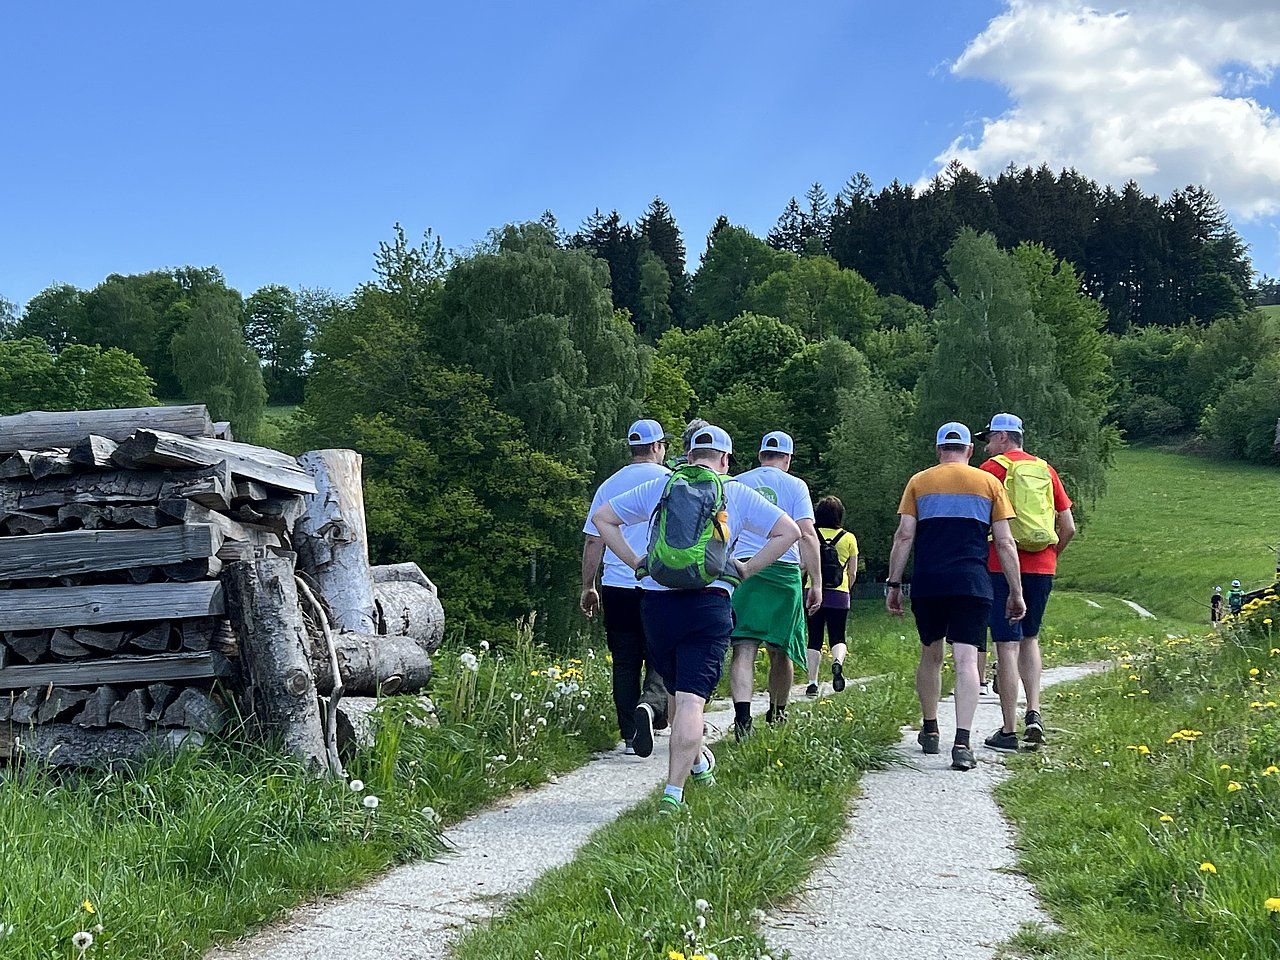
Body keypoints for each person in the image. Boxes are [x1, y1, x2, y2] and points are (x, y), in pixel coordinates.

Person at [592, 424, 801, 815]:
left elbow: (604, 519)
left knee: (675, 692)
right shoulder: (735, 491)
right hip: (709, 603)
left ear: (687, 456)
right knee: (690, 702)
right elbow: (788, 532)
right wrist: (744, 569)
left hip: (656, 604)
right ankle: (673, 793)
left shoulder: (662, 486)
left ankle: (699, 763)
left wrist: (637, 561)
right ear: (725, 459)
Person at [886, 422, 1026, 772]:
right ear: (969, 450)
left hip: (929, 583)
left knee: (930, 655)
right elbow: (1006, 542)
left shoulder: (919, 482)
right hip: (972, 584)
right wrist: (1016, 590)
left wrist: (893, 583)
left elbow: (904, 536)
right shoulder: (990, 483)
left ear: (938, 450)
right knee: (966, 662)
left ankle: (930, 728)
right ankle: (962, 742)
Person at [975, 413, 1076, 753]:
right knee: (1030, 637)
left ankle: (1008, 730)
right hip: (1042, 563)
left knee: (1007, 643)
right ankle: (1034, 712)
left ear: (1004, 438)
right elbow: (1069, 526)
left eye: (989, 437)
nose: (986, 444)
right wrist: (1051, 556)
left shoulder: (992, 469)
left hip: (1001, 565)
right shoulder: (1046, 470)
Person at [580, 419, 672, 755]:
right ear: (658, 447)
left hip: (616, 584)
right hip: (659, 583)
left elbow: (594, 541)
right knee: (661, 653)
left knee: (624, 660)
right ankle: (651, 708)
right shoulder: (670, 482)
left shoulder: (609, 485)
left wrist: (588, 586)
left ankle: (631, 735)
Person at [728, 431, 823, 738]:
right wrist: (817, 583)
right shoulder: (795, 485)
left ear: (760, 456)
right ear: (788, 458)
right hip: (783, 570)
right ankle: (776, 713)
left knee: (744, 647)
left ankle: (742, 718)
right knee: (781, 649)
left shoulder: (737, 481)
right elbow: (806, 534)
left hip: (744, 569)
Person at [805, 495, 859, 697]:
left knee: (814, 637)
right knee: (838, 635)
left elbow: (804, 565)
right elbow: (852, 572)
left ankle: (812, 682)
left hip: (812, 591)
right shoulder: (849, 538)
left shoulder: (812, 534)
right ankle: (837, 661)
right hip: (839, 592)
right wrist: (847, 588)